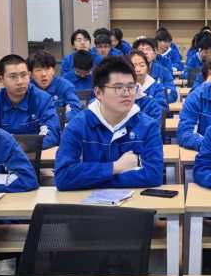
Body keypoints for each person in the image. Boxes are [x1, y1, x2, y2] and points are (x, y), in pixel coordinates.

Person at [54, 57, 163, 190]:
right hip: (87, 202)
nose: (127, 93)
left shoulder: (148, 126)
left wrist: (92, 179)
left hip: (133, 201)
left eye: (131, 87)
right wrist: (115, 167)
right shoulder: (78, 126)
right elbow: (63, 177)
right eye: (118, 87)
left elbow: (154, 175)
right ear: (98, 92)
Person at [0, 54, 61, 149]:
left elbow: (53, 135)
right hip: (2, 156)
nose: (20, 82)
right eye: (13, 77)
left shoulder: (43, 100)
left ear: (29, 75)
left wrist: (23, 146)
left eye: (24, 75)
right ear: (0, 79)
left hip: (34, 155)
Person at [27, 51, 82, 119]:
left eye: (47, 69)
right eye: (38, 70)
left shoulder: (65, 86)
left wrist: (62, 120)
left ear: (53, 71)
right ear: (30, 74)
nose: (44, 74)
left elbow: (75, 109)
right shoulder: (26, 89)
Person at [132, 37, 177, 103]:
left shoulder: (164, 71)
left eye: (148, 49)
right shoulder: (129, 71)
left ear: (155, 53)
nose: (145, 52)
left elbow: (172, 94)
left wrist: (156, 100)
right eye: (141, 50)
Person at [129, 50, 168, 117]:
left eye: (142, 65)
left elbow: (161, 110)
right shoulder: (124, 88)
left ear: (148, 68)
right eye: (134, 66)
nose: (138, 69)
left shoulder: (157, 87)